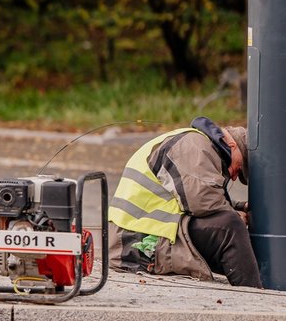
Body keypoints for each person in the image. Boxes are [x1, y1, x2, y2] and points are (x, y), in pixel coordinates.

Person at [108, 116, 261, 288]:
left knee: (231, 223)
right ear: (232, 145)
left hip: (136, 239)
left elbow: (193, 197)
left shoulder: (194, 143)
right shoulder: (195, 144)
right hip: (137, 245)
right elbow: (201, 201)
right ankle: (256, 294)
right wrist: (236, 214)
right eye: (240, 168)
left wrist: (238, 207)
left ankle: (258, 282)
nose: (234, 176)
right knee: (230, 226)